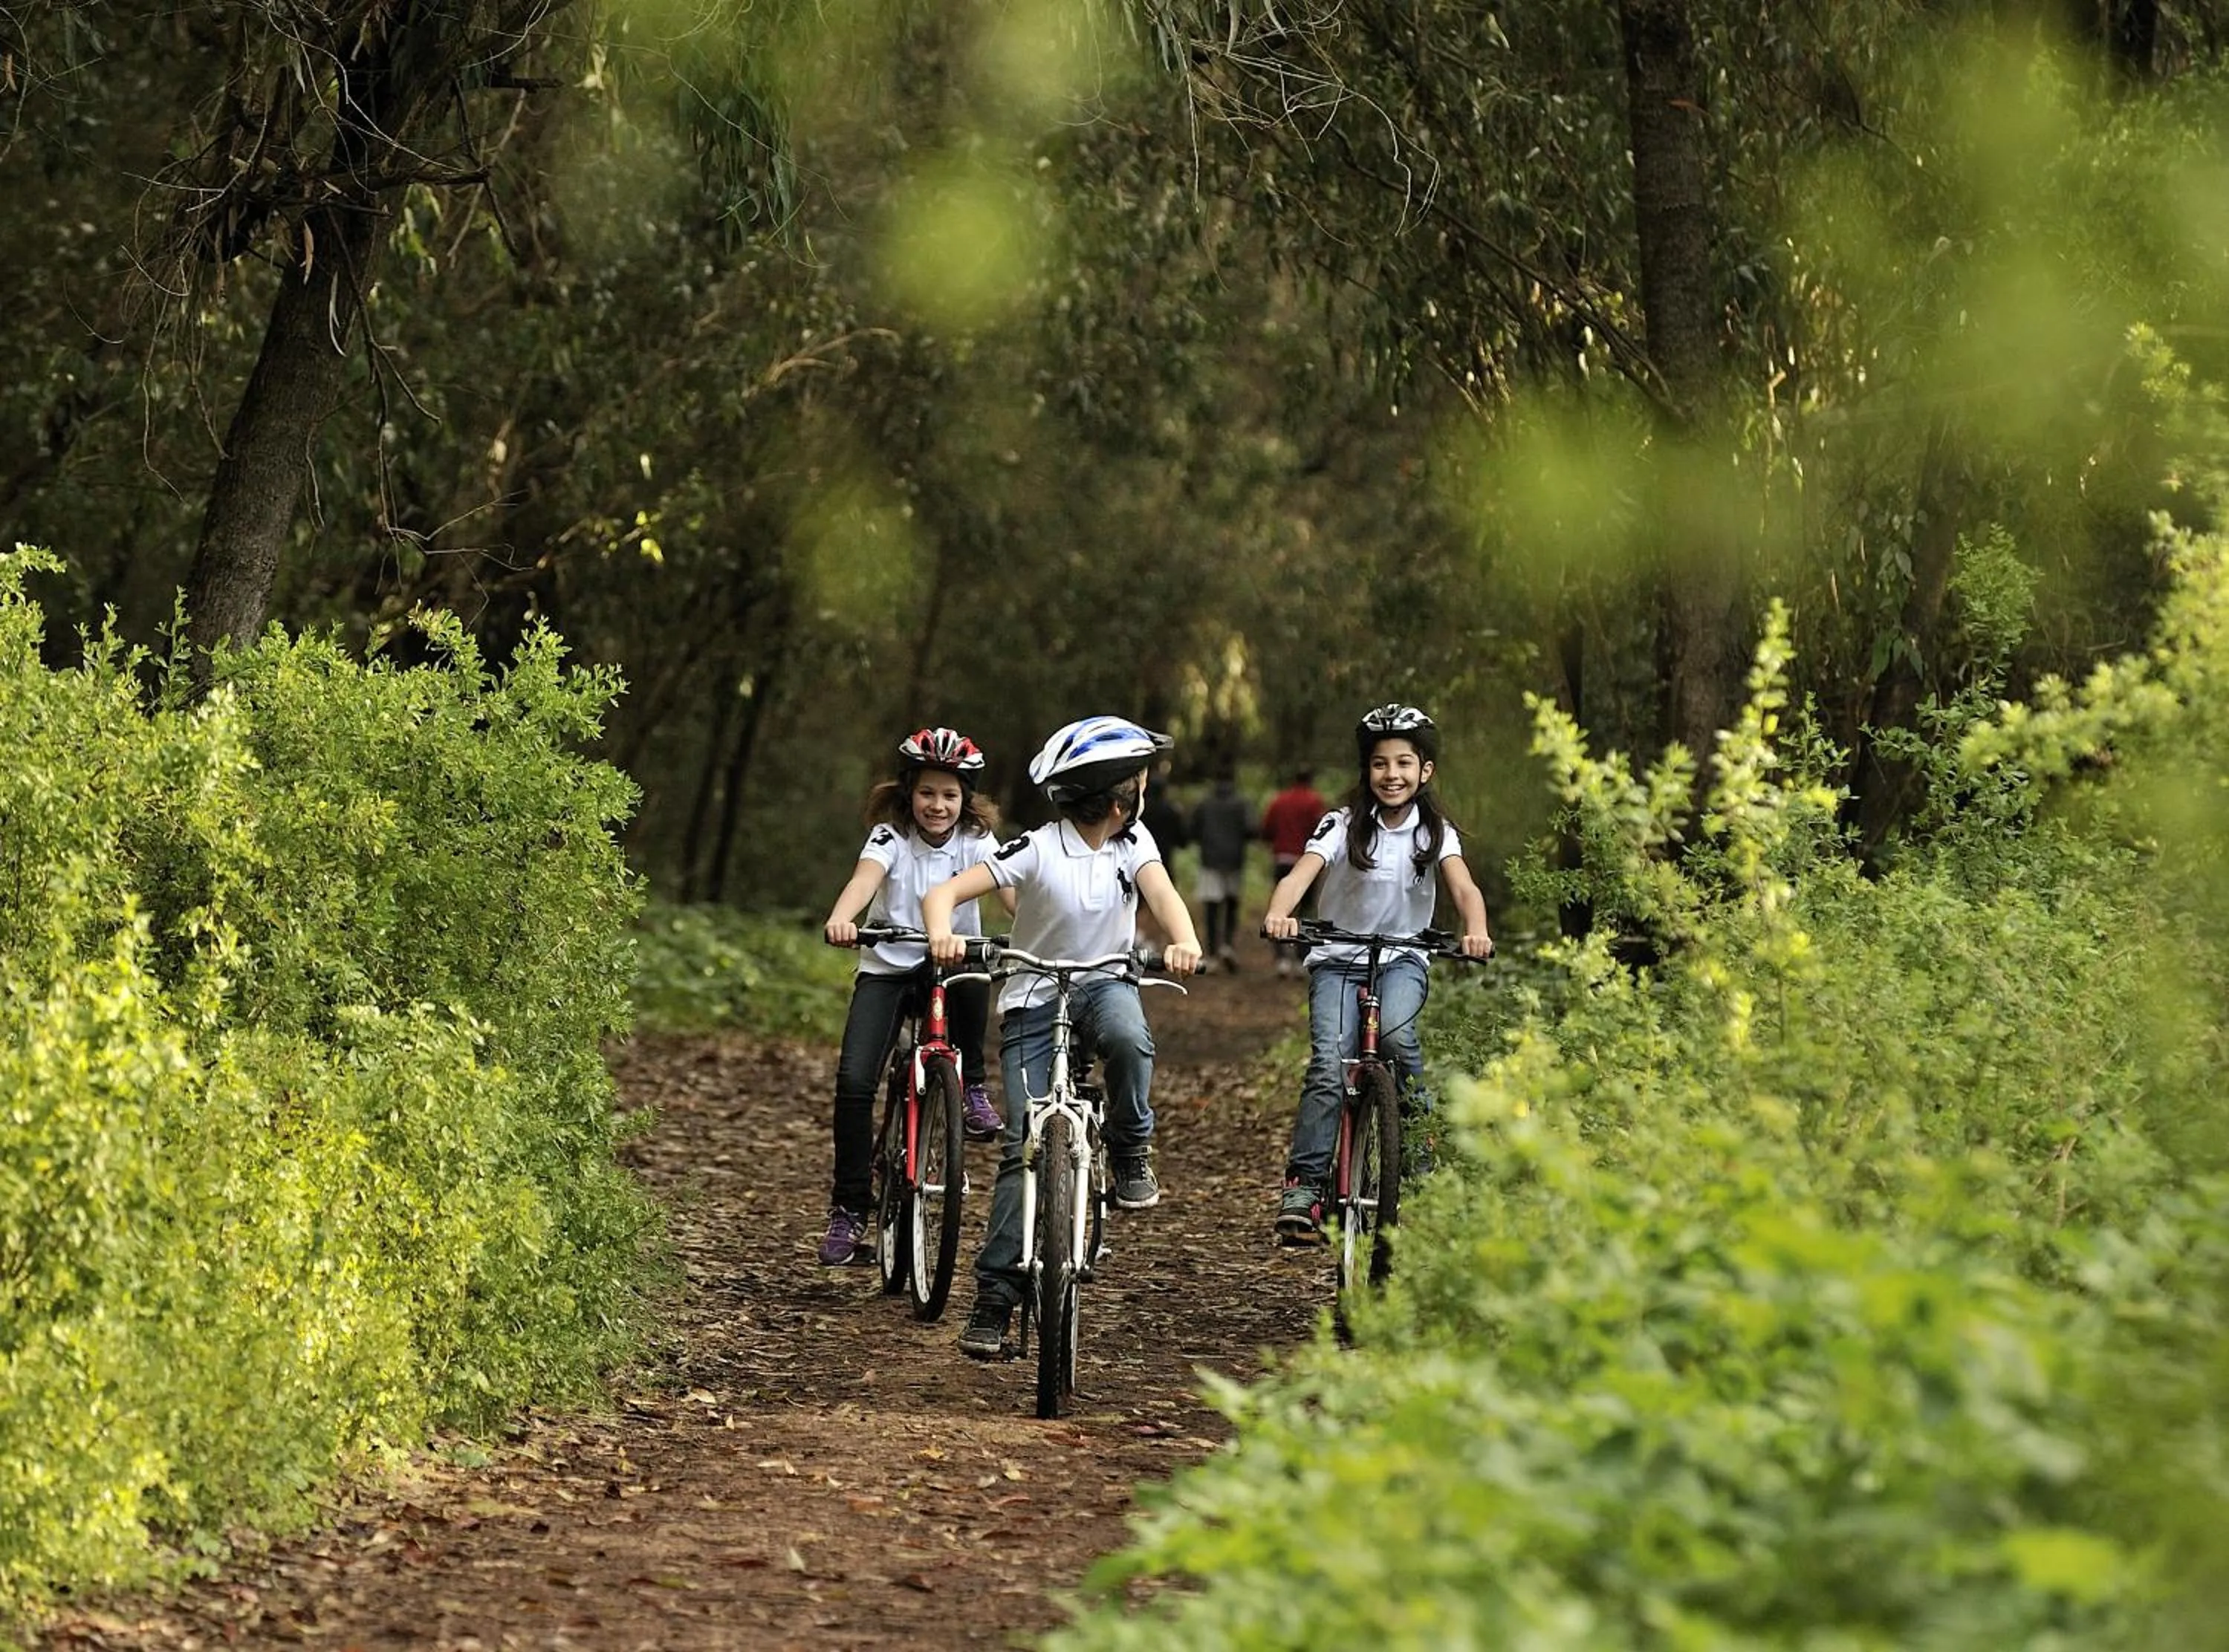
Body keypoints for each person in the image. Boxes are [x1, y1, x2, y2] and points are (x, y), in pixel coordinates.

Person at [924, 715, 1203, 1358]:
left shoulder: (1134, 846)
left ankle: (1132, 1148)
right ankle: (995, 1297)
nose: (1143, 793)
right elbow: (949, 891)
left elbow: (1164, 899)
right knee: (1024, 1145)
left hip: (1105, 984)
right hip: (1032, 995)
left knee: (1130, 1040)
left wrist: (1183, 941)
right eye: (1139, 783)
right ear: (1116, 798)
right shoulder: (1037, 848)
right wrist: (944, 931)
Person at [1260, 705, 1493, 1244]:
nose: (1392, 774)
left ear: (1425, 771)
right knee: (1328, 1064)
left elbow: (1463, 889)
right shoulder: (1342, 825)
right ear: (1367, 771)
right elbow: (1302, 873)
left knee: (1396, 1035)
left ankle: (1416, 1146)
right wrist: (1280, 913)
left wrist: (1475, 928)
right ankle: (1306, 1184)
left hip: (1403, 957)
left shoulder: (1436, 832)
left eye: (1405, 763)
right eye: (1381, 764)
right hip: (1337, 956)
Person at [817, 727, 1011, 1267]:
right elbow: (864, 880)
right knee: (856, 1081)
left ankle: (971, 1086)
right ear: (909, 793)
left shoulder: (977, 841)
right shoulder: (890, 837)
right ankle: (850, 1207)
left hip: (950, 966)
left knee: (974, 971)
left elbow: (1013, 890)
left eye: (950, 795)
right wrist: (842, 919)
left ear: (965, 799)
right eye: (928, 793)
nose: (938, 805)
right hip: (888, 964)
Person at [1259, 764, 1328, 977]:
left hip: (1282, 859)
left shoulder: (1280, 800)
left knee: (1281, 911)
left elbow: (1267, 829)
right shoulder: (1315, 801)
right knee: (1306, 912)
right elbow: (1320, 832)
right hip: (1307, 861)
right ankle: (1301, 958)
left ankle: (1281, 959)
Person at [1190, 767, 1255, 972]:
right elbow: (1252, 830)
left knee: (1212, 908)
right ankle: (1228, 945)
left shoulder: (1205, 804)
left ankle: (1211, 953)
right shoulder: (1242, 804)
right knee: (1231, 904)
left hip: (1210, 861)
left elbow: (1191, 830)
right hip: (1234, 861)